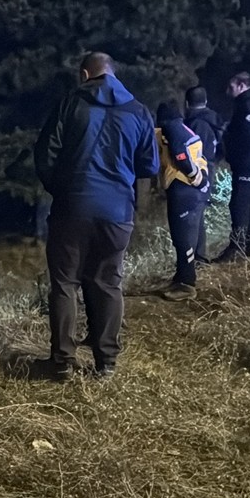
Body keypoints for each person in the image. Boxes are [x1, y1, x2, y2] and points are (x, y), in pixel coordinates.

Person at [32, 52, 158, 379]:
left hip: (73, 206)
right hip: (117, 211)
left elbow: (45, 154)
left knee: (64, 283)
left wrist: (60, 189)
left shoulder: (71, 102)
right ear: (112, 74)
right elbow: (150, 165)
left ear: (85, 74)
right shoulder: (138, 110)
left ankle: (62, 361)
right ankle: (107, 364)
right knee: (108, 283)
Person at [213, 71, 250, 263]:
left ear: (242, 85)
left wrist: (230, 140)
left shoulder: (248, 104)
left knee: (238, 204)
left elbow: (249, 131)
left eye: (231, 86)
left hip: (248, 163)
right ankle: (249, 245)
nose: (228, 90)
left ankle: (236, 247)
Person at [155, 101, 210, 301]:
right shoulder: (185, 128)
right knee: (187, 236)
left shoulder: (171, 128)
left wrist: (194, 175)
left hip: (182, 187)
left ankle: (187, 285)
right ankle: (182, 278)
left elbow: (179, 153)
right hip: (192, 191)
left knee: (182, 237)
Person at [183, 86, 223, 263]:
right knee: (198, 212)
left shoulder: (195, 124)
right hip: (210, 166)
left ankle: (196, 257)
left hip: (198, 170)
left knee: (193, 214)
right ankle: (199, 255)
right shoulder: (214, 120)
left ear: (187, 103)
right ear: (206, 101)